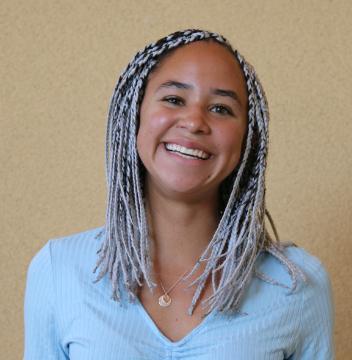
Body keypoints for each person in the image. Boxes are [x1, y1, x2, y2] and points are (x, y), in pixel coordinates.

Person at [24, 29, 334, 359]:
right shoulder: (60, 270)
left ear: (249, 138)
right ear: (134, 115)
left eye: (221, 108)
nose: (194, 121)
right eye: (174, 100)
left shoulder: (297, 285)